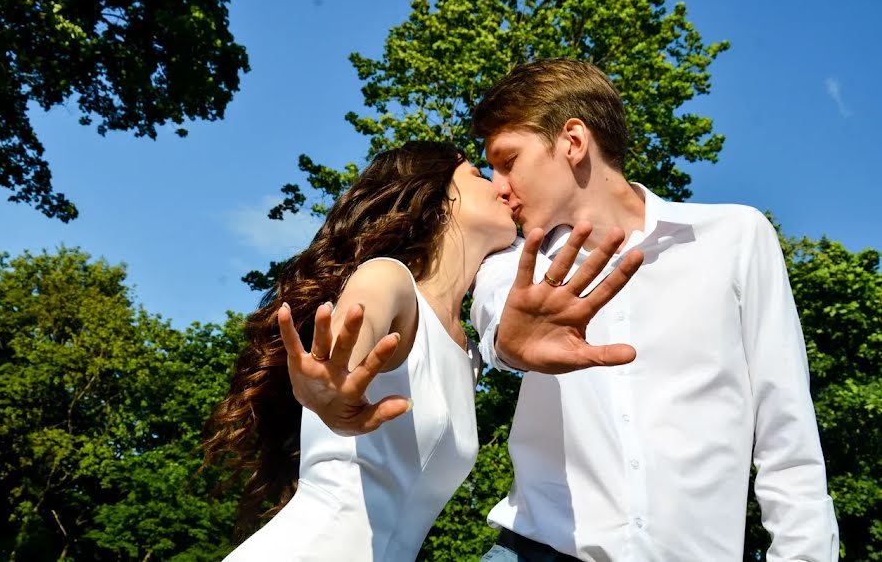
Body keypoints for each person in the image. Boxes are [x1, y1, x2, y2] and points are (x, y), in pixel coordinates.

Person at [296, 60, 839, 561]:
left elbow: (786, 432)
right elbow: (496, 326)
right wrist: (509, 346)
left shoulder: (735, 238)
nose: (500, 188)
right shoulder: (510, 262)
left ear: (574, 141)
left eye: (508, 161)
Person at [203, 140, 642, 561]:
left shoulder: (467, 354)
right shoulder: (389, 280)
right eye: (477, 173)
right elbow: (363, 316)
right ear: (437, 195)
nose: (502, 187)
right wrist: (335, 376)